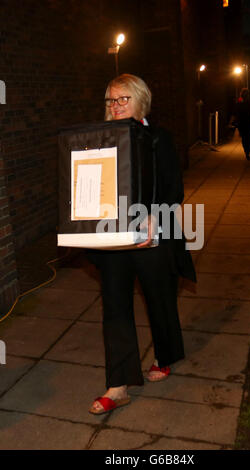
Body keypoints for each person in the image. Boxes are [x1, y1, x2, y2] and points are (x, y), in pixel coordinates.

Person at [87, 74, 196, 415]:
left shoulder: (159, 138)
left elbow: (173, 189)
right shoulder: (98, 140)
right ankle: (118, 385)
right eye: (111, 100)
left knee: (159, 298)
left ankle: (165, 354)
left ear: (140, 102)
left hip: (153, 234)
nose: (116, 106)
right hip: (112, 236)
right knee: (115, 307)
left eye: (123, 99)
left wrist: (153, 216)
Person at [230, 88, 250, 160]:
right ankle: (247, 153)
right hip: (249, 123)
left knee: (244, 138)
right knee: (249, 138)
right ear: (248, 96)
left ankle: (246, 152)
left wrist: (230, 122)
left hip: (241, 123)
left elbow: (234, 114)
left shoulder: (238, 104)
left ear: (241, 96)